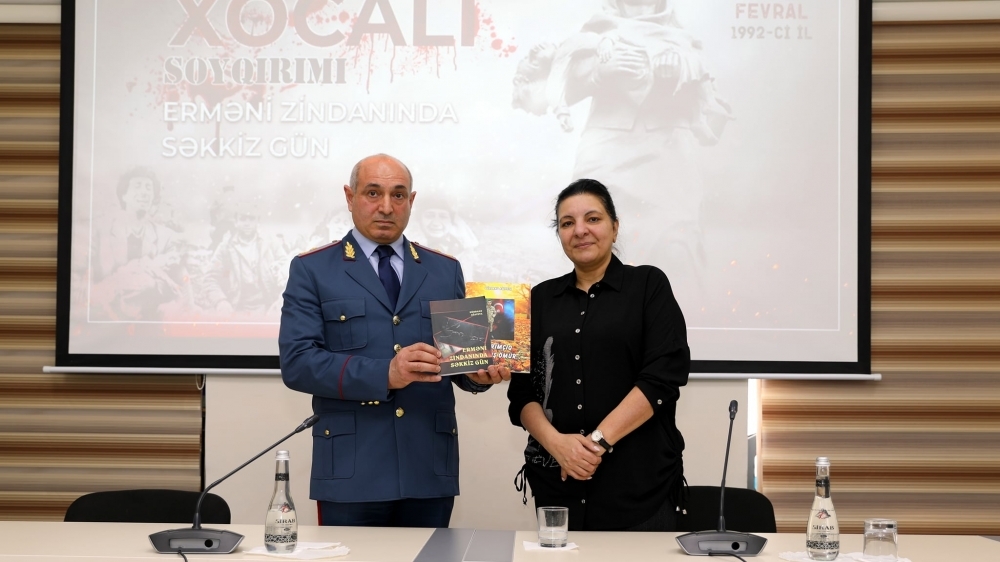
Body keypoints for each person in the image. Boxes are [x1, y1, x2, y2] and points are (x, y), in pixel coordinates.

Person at [279, 154, 512, 528]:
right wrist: (385, 373)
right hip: (352, 470)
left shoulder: (444, 269)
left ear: (411, 201)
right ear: (350, 197)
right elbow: (298, 363)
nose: (386, 207)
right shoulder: (313, 269)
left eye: (398, 195)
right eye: (373, 193)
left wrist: (477, 375)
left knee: (432, 556)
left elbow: (459, 359)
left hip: (428, 467)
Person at [507, 178, 689, 532]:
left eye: (593, 219)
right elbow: (522, 394)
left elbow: (662, 377)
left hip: (640, 490)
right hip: (556, 487)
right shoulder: (538, 300)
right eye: (567, 223)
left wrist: (594, 443)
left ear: (615, 227)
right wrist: (558, 446)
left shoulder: (648, 285)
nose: (580, 231)